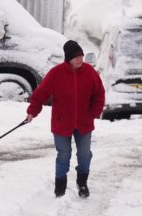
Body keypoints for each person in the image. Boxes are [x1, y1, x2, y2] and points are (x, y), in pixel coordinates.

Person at [26, 40, 105, 198]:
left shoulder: (89, 72)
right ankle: (60, 188)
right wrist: (32, 111)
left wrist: (94, 113)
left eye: (81, 56)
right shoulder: (56, 73)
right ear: (68, 58)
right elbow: (40, 93)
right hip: (62, 123)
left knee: (84, 154)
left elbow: (99, 93)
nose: (80, 59)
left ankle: (82, 183)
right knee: (63, 155)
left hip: (84, 122)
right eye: (76, 57)